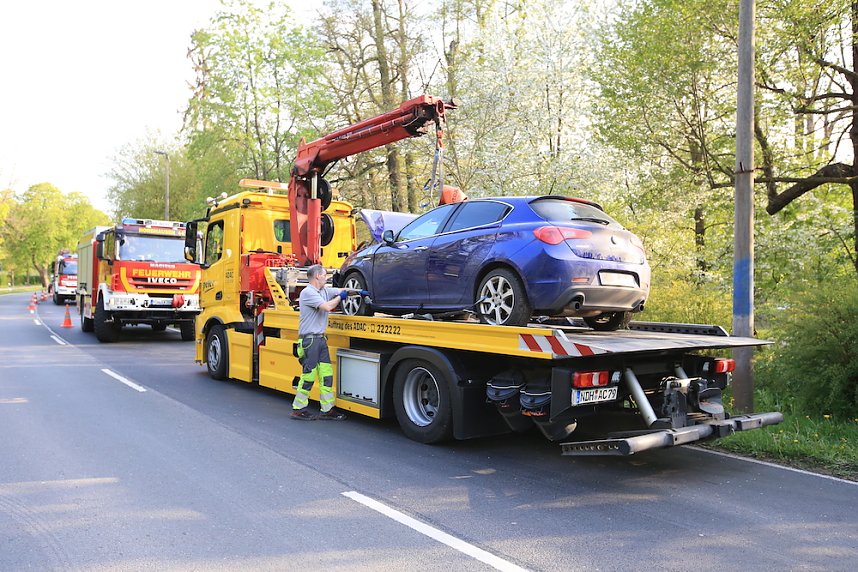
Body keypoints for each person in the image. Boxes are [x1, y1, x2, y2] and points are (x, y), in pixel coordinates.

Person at [292, 264, 369, 420]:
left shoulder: (324, 291)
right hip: (310, 341)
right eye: (325, 275)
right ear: (317, 276)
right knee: (308, 376)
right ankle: (298, 409)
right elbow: (327, 307)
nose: (326, 278)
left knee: (327, 376)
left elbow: (341, 290)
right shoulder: (308, 292)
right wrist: (339, 299)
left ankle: (327, 410)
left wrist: (358, 292)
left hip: (320, 340)